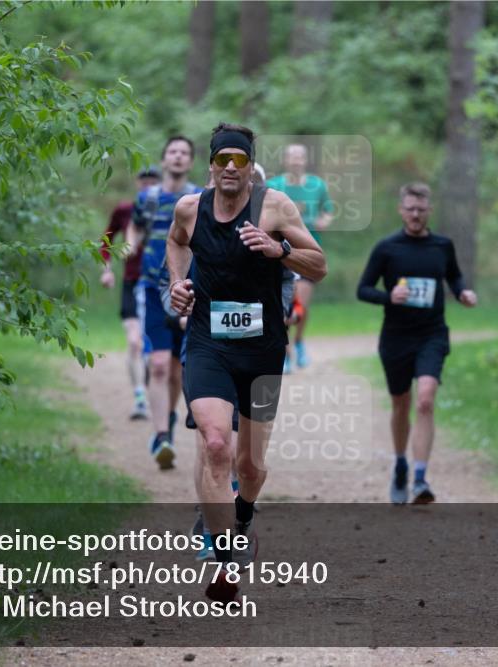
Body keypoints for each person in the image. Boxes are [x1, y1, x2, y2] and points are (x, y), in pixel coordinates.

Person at [167, 123, 326, 602]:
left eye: (240, 160)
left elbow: (318, 263)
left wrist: (279, 250)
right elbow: (176, 242)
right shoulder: (189, 208)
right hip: (207, 344)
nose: (231, 168)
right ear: (210, 165)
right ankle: (222, 562)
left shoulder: (275, 205)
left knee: (250, 466)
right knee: (216, 443)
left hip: (261, 349)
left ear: (250, 166)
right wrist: (178, 283)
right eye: (223, 160)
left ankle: (245, 513)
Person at [357, 182, 477, 505]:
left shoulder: (442, 245)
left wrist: (463, 292)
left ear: (429, 212)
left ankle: (420, 478)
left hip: (432, 334)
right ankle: (400, 464)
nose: (414, 215)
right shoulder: (386, 248)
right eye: (409, 209)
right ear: (401, 210)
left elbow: (454, 275)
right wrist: (389, 296)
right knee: (401, 404)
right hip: (396, 337)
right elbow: (363, 289)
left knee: (425, 399)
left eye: (421, 210)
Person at [127, 137, 202, 470]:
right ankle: (160, 437)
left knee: (178, 370)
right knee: (158, 365)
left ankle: (168, 421)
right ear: (163, 159)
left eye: (184, 152)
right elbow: (135, 228)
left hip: (187, 289)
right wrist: (130, 246)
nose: (178, 156)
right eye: (173, 151)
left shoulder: (200, 198)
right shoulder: (148, 198)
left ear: (191, 161)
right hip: (153, 288)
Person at [100, 167, 161, 421]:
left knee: (154, 349)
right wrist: (107, 270)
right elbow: (106, 241)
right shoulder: (125, 210)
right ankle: (139, 398)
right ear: (137, 184)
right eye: (143, 182)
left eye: (152, 183)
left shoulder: (169, 209)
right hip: (131, 282)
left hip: (159, 287)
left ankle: (155, 393)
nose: (147, 187)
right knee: (135, 342)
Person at [266, 144, 334, 372]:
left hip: (307, 253)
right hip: (280, 252)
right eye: (292, 156)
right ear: (285, 160)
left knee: (300, 305)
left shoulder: (317, 185)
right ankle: (284, 352)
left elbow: (328, 210)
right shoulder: (275, 186)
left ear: (305, 160)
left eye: (300, 156)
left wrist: (325, 220)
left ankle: (299, 342)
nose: (296, 160)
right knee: (283, 305)